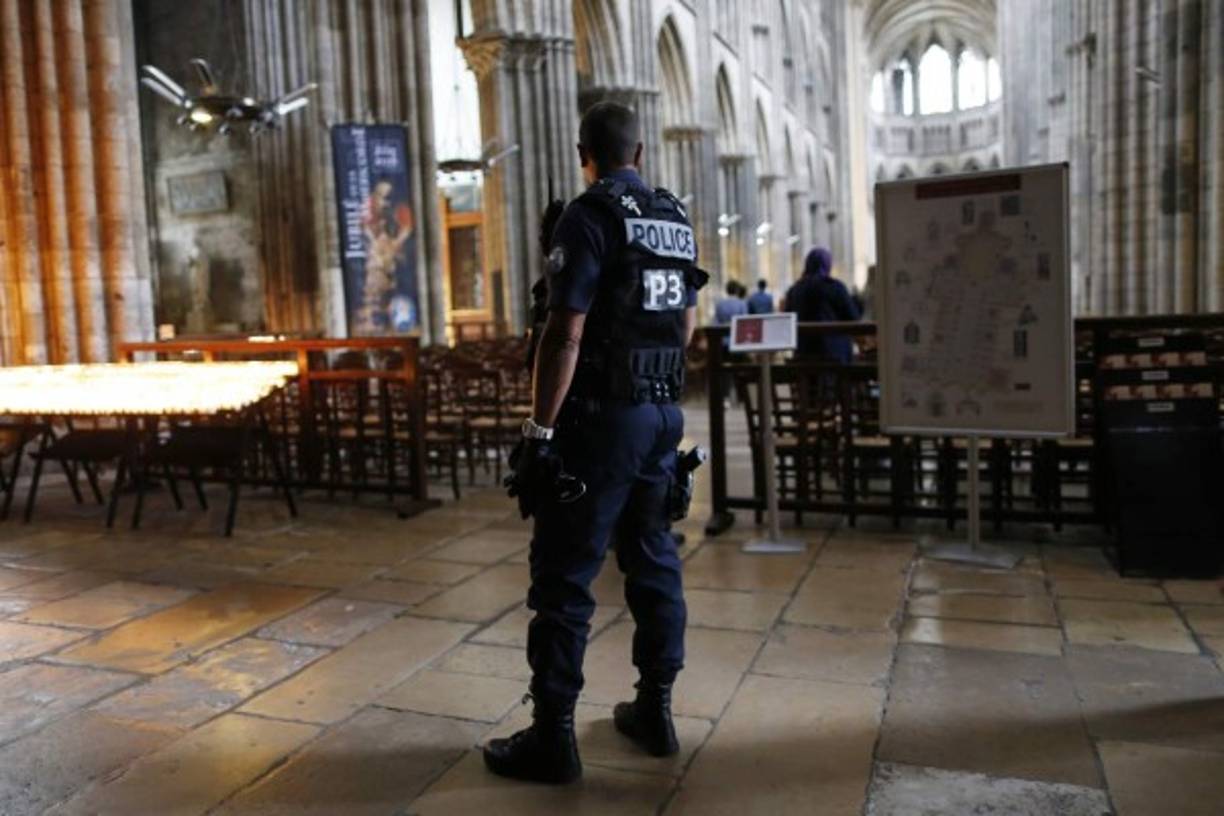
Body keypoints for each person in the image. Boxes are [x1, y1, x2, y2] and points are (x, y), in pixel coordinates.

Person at [487, 101, 706, 785]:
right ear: (639, 154)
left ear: (585, 151)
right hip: (662, 415)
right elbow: (687, 324)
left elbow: (566, 333)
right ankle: (655, 710)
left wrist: (539, 431)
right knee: (652, 559)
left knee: (565, 573)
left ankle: (553, 736)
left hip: (602, 421)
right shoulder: (672, 218)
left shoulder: (589, 214)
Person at [783, 247, 861, 362]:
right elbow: (853, 317)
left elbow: (788, 317)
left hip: (803, 354)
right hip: (834, 354)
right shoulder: (835, 287)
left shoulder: (795, 290)